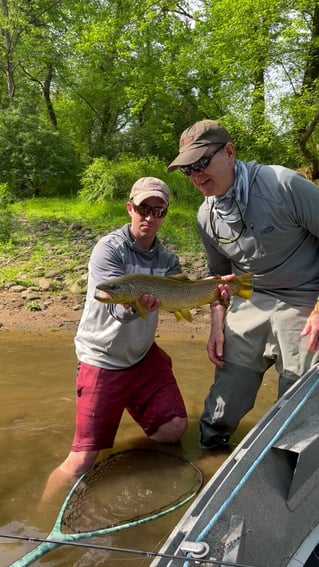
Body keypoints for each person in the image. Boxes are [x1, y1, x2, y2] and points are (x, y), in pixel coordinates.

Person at [167, 119, 319, 451]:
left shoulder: (284, 185)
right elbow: (218, 279)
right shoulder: (206, 216)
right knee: (225, 399)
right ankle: (212, 452)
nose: (195, 175)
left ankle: (288, 461)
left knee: (299, 400)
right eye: (186, 170)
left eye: (201, 162)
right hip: (250, 298)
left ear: (230, 152)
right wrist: (216, 327)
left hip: (306, 295)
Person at [42, 176, 189, 501]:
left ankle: (134, 455)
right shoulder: (109, 250)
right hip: (103, 358)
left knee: (173, 429)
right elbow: (112, 306)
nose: (150, 217)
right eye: (143, 208)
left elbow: (186, 296)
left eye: (158, 210)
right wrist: (137, 306)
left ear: (165, 214)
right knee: (80, 460)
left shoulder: (167, 261)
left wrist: (219, 291)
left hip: (141, 355)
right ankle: (40, 520)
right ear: (130, 208)